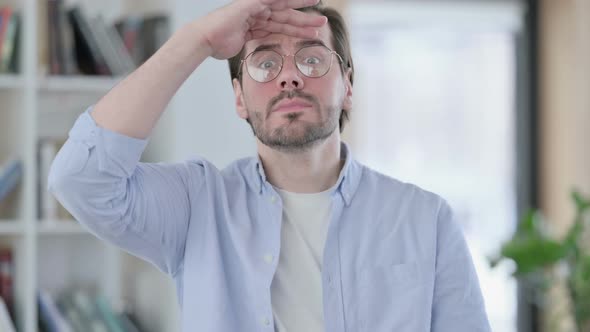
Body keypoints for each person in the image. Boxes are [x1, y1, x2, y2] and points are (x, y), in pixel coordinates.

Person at [48, 0, 491, 331]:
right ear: (239, 98)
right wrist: (198, 40)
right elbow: (81, 181)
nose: (290, 76)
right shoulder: (197, 206)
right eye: (264, 63)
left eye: (313, 58)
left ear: (348, 85)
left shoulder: (426, 220)